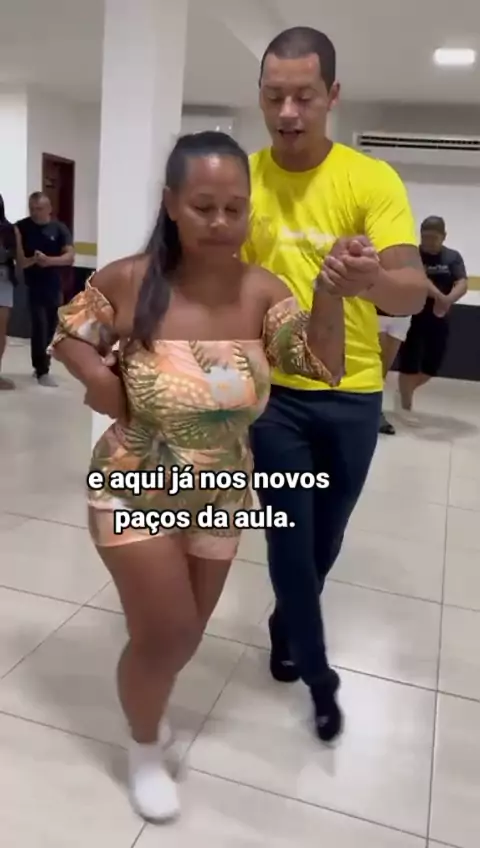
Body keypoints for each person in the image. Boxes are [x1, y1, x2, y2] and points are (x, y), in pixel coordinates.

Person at [49, 131, 347, 823]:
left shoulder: (263, 290)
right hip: (132, 483)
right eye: (204, 206)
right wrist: (97, 375)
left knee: (183, 637)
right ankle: (144, 745)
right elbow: (68, 334)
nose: (220, 222)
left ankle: (147, 704)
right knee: (168, 632)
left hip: (222, 493)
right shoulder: (129, 279)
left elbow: (321, 364)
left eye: (234, 209)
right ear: (172, 204)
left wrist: (330, 293)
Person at [244, 27, 428, 743]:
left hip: (352, 394)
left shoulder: (370, 180)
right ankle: (303, 646)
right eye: (274, 97)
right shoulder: (243, 180)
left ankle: (288, 615)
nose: (288, 113)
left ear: (333, 96)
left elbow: (410, 291)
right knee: (290, 528)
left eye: (304, 97)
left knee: (327, 533)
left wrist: (370, 280)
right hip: (275, 395)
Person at [398, 216, 468, 422]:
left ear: (443, 236)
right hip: (412, 317)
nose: (428, 242)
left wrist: (448, 300)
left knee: (432, 366)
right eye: (425, 237)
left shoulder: (452, 257)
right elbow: (420, 279)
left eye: (433, 238)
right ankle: (405, 405)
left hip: (439, 319)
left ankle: (407, 390)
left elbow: (462, 282)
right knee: (409, 364)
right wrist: (440, 297)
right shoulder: (413, 255)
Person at [16, 192, 74, 387]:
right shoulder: (22, 227)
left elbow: (69, 257)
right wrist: (33, 260)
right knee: (39, 326)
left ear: (49, 209)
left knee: (50, 327)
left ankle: (44, 364)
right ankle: (42, 370)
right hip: (32, 285)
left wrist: (49, 261)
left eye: (39, 209)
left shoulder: (59, 229)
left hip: (54, 284)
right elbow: (20, 260)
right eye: (32, 209)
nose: (35, 213)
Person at [377, 308, 412, 434]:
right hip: (375, 311)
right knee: (376, 365)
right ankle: (375, 412)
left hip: (402, 315)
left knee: (383, 369)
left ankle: (375, 409)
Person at [0, 195, 21, 390]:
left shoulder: (9, 230)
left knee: (0, 331)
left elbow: (19, 259)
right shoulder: (10, 230)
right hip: (4, 279)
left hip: (3, 279)